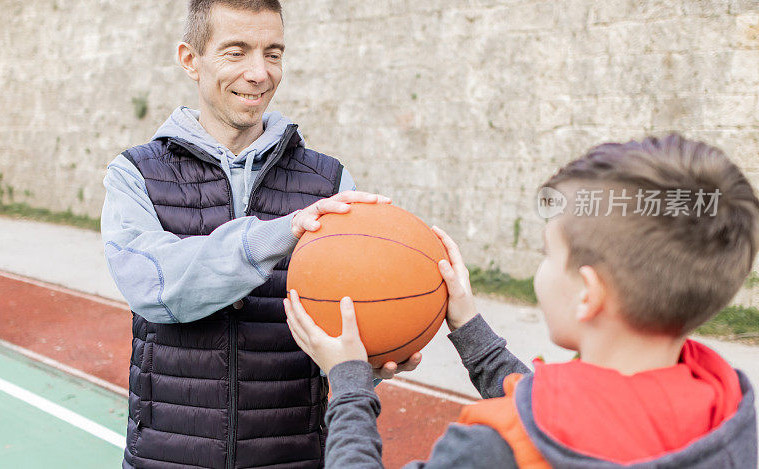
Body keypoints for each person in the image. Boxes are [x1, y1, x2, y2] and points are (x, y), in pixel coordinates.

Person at [285, 133, 759, 468]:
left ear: (588, 295)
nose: (542, 268)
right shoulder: (730, 407)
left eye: (547, 255)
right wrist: (468, 326)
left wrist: (347, 386)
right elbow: (569, 415)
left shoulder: (495, 448)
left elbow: (536, 431)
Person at [101, 0, 417, 469]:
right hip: (168, 457)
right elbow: (155, 285)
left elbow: (341, 324)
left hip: (292, 456)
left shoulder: (328, 181)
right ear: (190, 60)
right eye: (236, 52)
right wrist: (277, 233)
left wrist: (374, 357)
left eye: (273, 53)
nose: (259, 72)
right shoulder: (135, 173)